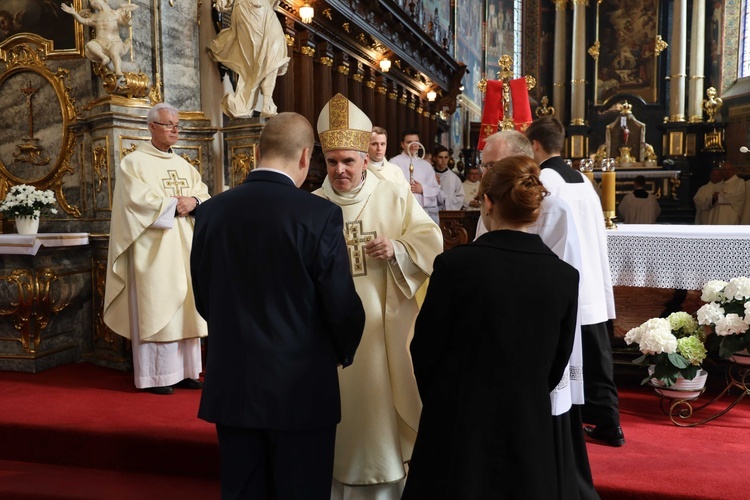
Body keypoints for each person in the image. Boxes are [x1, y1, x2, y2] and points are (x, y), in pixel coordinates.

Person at [191, 112, 365, 499]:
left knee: (243, 490)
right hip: (300, 386)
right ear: (306, 157)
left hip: (232, 382)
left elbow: (203, 297)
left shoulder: (209, 212)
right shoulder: (318, 215)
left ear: (256, 151)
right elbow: (340, 306)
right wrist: (339, 353)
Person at [402, 155, 579, 499]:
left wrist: (444, 400)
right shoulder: (563, 277)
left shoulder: (455, 265)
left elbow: (424, 349)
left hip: (458, 422)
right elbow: (558, 361)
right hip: (528, 425)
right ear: (535, 208)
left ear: (486, 202)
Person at [313, 94, 443, 499]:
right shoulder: (313, 205)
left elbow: (430, 238)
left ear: (364, 159)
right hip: (330, 333)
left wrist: (398, 249)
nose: (340, 170)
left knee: (376, 405)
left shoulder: (393, 194)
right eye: (332, 161)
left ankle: (384, 474)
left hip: (383, 328)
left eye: (348, 161)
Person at [475, 130, 598, 500]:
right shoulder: (492, 202)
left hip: (535, 339)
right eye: (484, 167)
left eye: (493, 166)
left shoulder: (553, 207)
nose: (486, 174)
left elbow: (565, 278)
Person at [526, 116, 621, 448]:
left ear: (535, 146)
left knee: (569, 359)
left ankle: (571, 425)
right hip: (592, 280)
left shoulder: (543, 180)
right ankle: (611, 424)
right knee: (598, 357)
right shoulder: (581, 178)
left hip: (565, 282)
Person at [103, 103, 210, 395]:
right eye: (168, 124)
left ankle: (187, 371)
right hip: (153, 250)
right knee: (158, 305)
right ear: (151, 127)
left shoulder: (185, 165)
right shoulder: (133, 163)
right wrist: (174, 204)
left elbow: (202, 193)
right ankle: (156, 376)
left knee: (186, 308)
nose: (175, 129)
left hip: (184, 246)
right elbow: (136, 201)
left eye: (177, 125)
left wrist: (195, 203)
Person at [208, 0, 290, 118]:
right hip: (247, 10)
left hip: (267, 10)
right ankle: (245, 104)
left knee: (274, 55)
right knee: (255, 65)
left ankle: (267, 103)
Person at [61, 0, 138, 77]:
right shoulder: (95, 16)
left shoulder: (114, 13)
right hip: (100, 43)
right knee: (89, 45)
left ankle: (118, 70)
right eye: (91, 2)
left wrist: (127, 20)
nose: (92, 3)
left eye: (94, 1)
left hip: (114, 42)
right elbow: (83, 21)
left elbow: (127, 24)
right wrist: (74, 13)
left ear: (105, 1)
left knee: (114, 52)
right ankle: (104, 57)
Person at [389, 128, 442, 223]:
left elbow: (435, 189)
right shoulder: (393, 163)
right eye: (409, 142)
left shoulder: (426, 165)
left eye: (416, 142)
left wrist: (422, 189)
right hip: (402, 211)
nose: (413, 145)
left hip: (423, 211)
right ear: (402, 144)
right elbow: (389, 187)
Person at [434, 145, 464, 210]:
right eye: (440, 157)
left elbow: (461, 197)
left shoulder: (454, 178)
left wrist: (446, 201)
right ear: (435, 158)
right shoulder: (430, 175)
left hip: (449, 214)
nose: (443, 160)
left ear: (448, 158)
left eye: (446, 157)